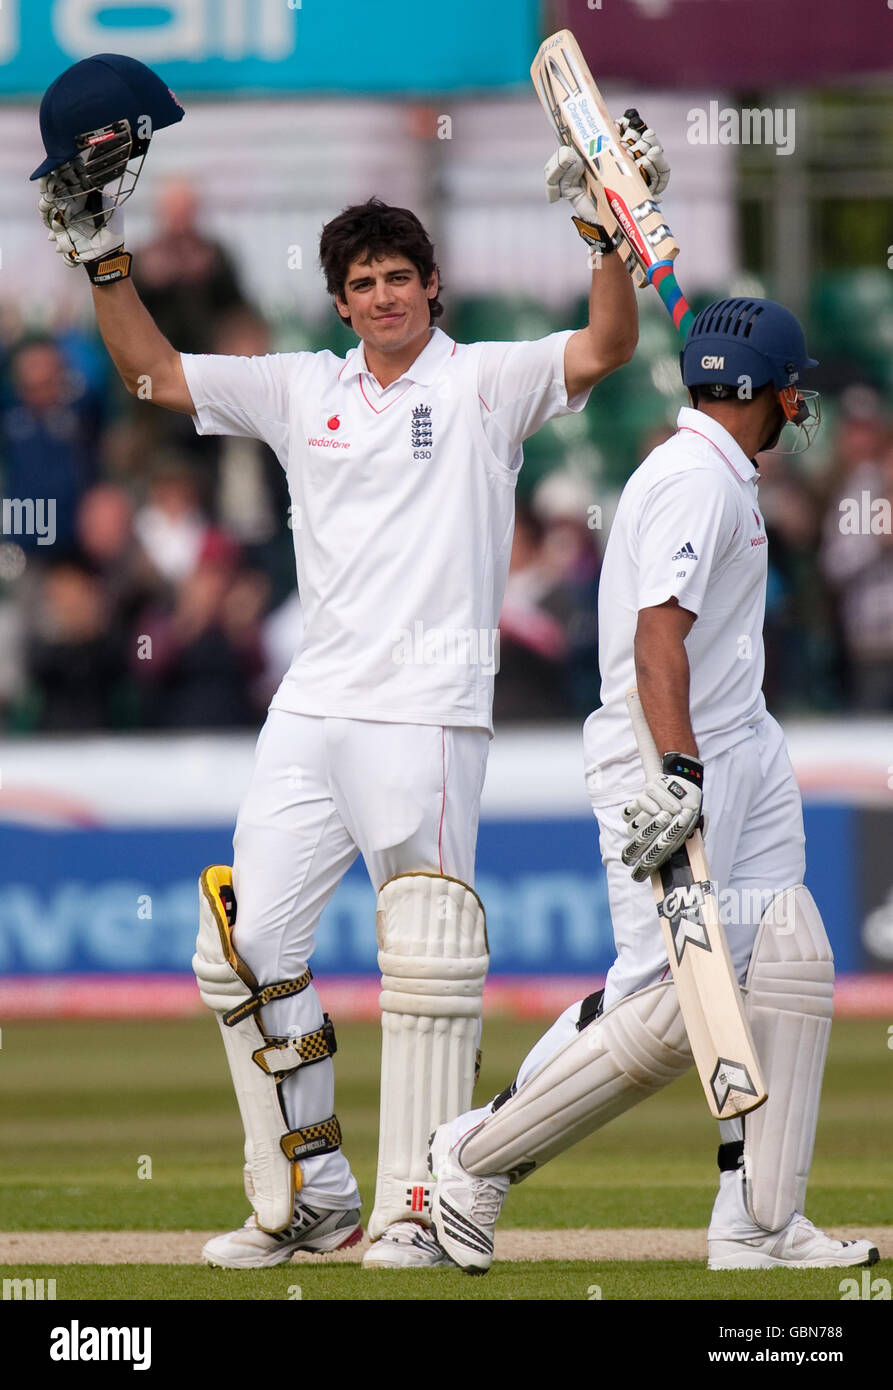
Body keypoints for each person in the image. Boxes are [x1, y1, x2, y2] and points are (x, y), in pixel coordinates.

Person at [37, 81, 667, 1267]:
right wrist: (104, 259)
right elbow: (155, 378)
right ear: (340, 301)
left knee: (428, 958)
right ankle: (316, 1192)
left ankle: (433, 1210)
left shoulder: (484, 381)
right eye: (361, 283)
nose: (382, 296)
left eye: (399, 277)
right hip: (312, 710)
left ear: (430, 285)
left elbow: (608, 344)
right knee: (242, 953)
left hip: (428, 713)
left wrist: (603, 238)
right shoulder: (300, 389)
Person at [428, 298, 881, 1275]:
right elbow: (653, 637)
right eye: (789, 385)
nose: (799, 401)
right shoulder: (690, 480)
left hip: (739, 741)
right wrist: (675, 770)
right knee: (670, 1007)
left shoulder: (718, 470)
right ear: (757, 391)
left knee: (787, 955)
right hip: (665, 752)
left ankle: (758, 1221)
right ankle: (468, 1159)